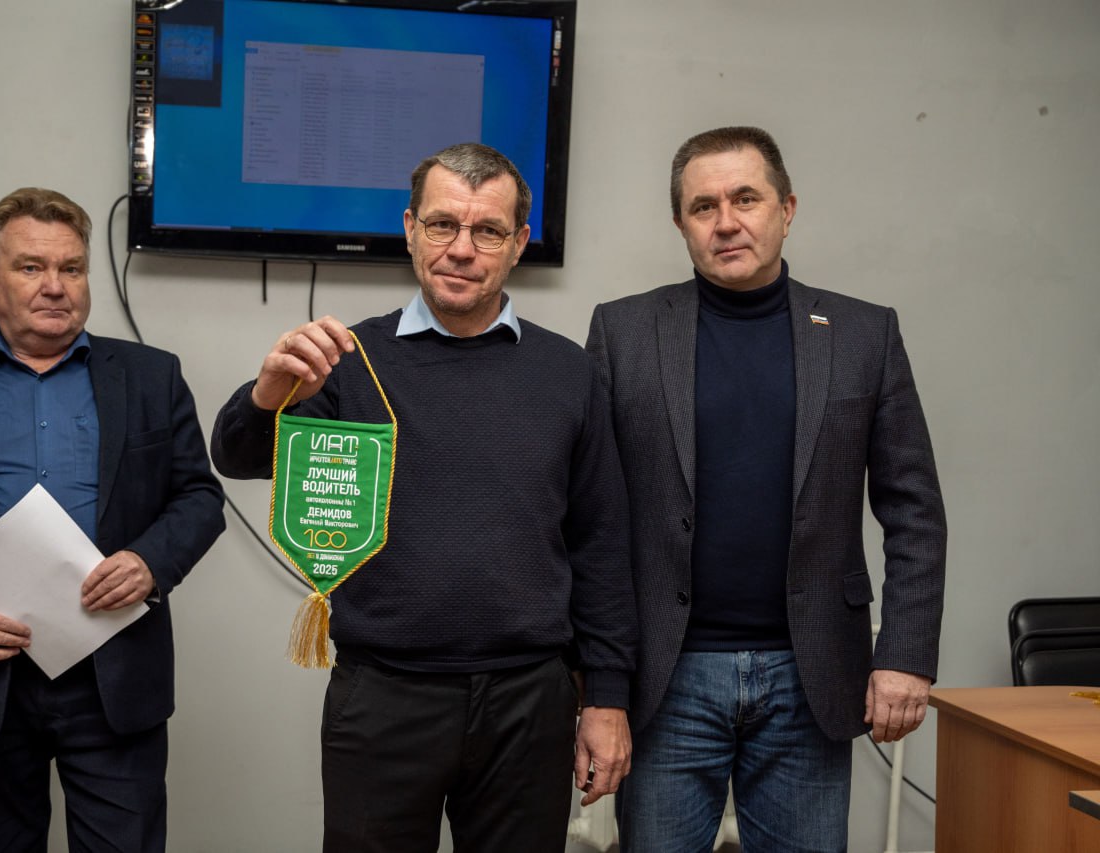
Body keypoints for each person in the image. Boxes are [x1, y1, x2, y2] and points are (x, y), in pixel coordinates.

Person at [211, 142, 637, 853]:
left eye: (488, 231)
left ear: (519, 243)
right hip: (383, 696)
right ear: (410, 228)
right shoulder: (345, 361)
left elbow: (602, 544)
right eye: (442, 224)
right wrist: (267, 393)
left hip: (530, 701)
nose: (461, 249)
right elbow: (238, 457)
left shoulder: (569, 371)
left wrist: (609, 697)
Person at [586, 126, 946, 852]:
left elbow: (915, 511)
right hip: (665, 676)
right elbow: (591, 520)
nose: (726, 222)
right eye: (704, 206)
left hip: (811, 673)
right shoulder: (622, 332)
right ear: (681, 223)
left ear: (787, 208)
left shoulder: (864, 333)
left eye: (746, 199)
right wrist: (599, 686)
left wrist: (905, 653)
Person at [0, 187, 225, 852]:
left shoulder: (152, 376)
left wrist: (149, 562)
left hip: (114, 678)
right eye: (31, 267)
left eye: (71, 268)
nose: (55, 286)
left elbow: (200, 496)